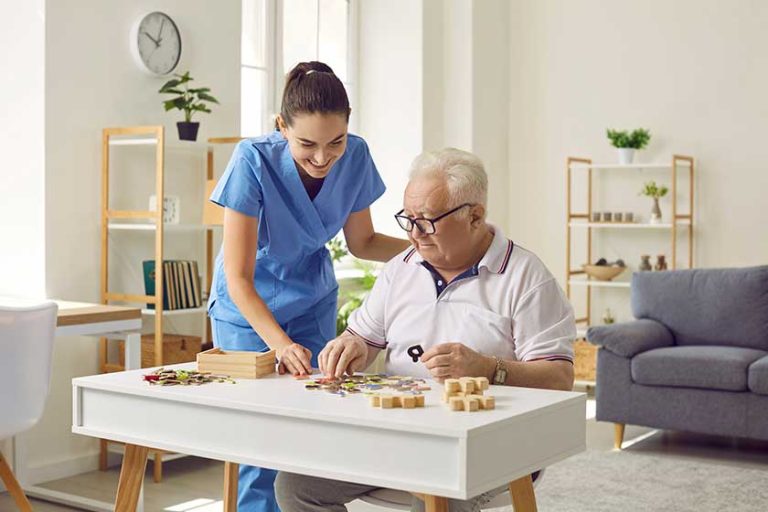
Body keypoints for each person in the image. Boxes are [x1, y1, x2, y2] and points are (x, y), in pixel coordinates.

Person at [274, 148, 576, 512]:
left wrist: (487, 368)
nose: (414, 235)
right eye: (408, 219)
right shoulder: (400, 268)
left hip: (493, 446)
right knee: (295, 486)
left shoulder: (526, 278)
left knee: (439, 495)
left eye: (427, 221)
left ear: (475, 216)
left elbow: (559, 377)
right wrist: (350, 345)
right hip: (399, 437)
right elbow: (363, 338)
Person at [207, 61, 410, 511]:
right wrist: (279, 345)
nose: (323, 158)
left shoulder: (355, 156)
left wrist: (432, 249)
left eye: (334, 142)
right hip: (248, 310)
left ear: (348, 125)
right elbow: (238, 278)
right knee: (260, 440)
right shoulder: (252, 159)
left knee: (315, 425)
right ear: (281, 127)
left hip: (313, 299)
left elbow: (364, 242)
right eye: (307, 145)